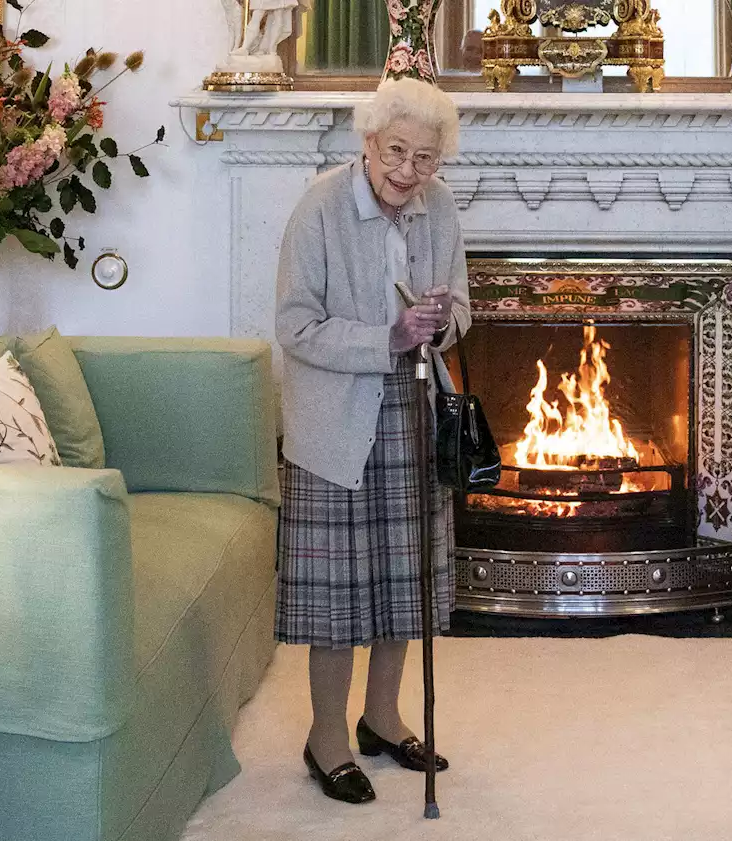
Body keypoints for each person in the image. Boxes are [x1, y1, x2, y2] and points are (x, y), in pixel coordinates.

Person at [274, 77, 469, 805]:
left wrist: (440, 321)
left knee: (400, 579)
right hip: (335, 418)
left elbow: (462, 307)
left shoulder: (439, 207)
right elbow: (294, 326)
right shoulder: (321, 206)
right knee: (338, 593)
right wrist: (386, 336)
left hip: (415, 409)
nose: (408, 171)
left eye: (425, 158)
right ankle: (326, 735)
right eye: (396, 151)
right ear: (367, 142)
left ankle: (381, 718)